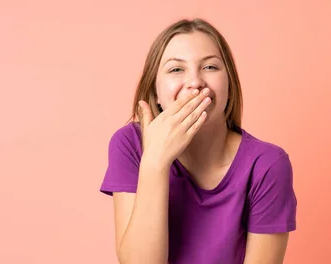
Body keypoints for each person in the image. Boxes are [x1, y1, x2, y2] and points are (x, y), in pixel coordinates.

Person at [99, 18, 297, 264]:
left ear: (229, 85)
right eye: (176, 69)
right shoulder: (129, 144)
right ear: (156, 94)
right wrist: (154, 163)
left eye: (210, 67)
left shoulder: (267, 165)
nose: (195, 82)